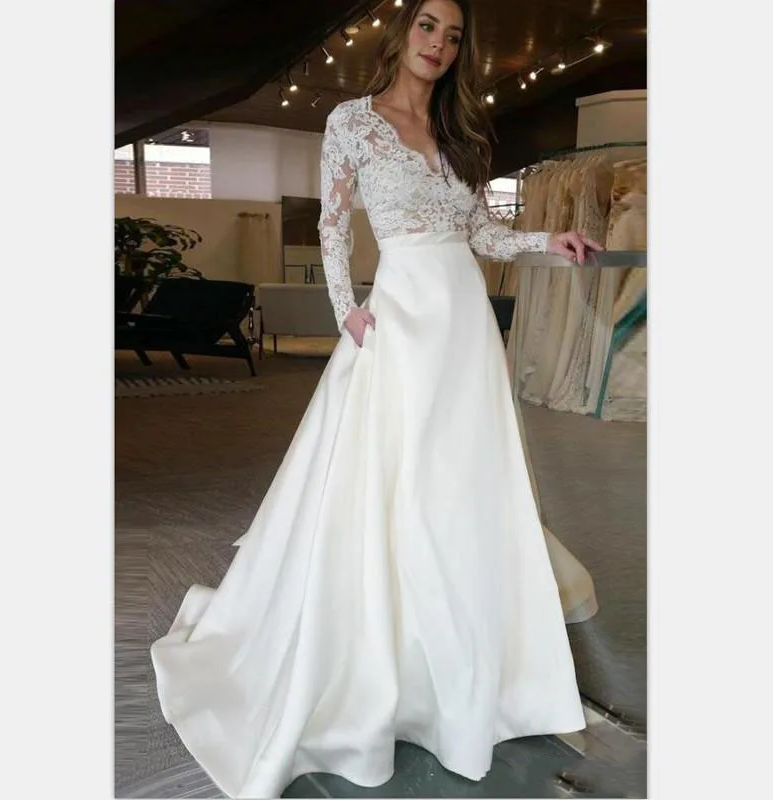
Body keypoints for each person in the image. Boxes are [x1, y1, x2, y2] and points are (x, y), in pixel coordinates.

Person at [151, 1, 603, 797]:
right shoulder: (352, 122)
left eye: (453, 35)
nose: (439, 44)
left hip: (464, 328)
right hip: (400, 317)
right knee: (399, 480)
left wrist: (547, 241)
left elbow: (480, 236)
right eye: (428, 26)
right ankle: (396, 655)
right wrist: (346, 311)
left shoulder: (460, 133)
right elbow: (332, 226)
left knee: (461, 482)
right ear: (402, 34)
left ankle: (468, 654)